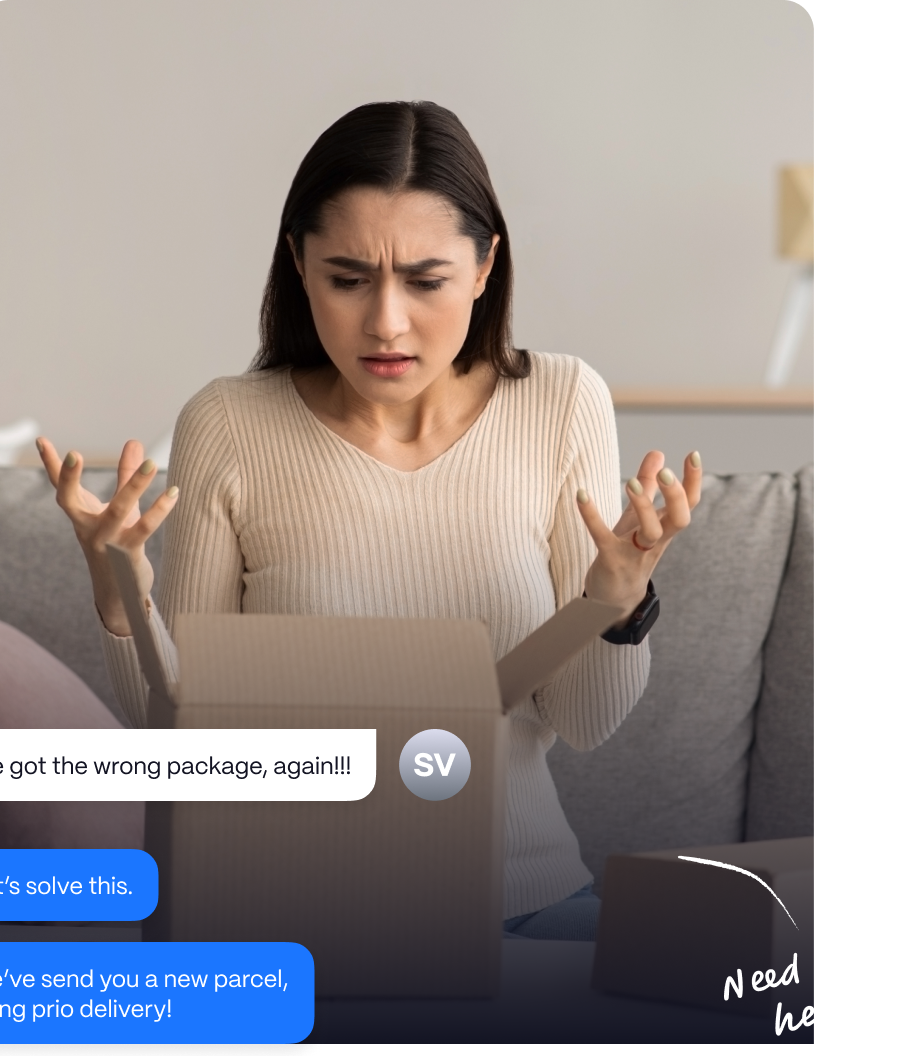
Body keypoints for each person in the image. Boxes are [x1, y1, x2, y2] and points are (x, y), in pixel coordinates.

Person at [37, 100, 701, 940]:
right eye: (347, 279)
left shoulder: (562, 401)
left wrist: (616, 604)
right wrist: (119, 596)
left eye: (426, 281)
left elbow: (585, 722)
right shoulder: (229, 423)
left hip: (525, 901)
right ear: (298, 263)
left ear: (486, 264)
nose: (386, 322)